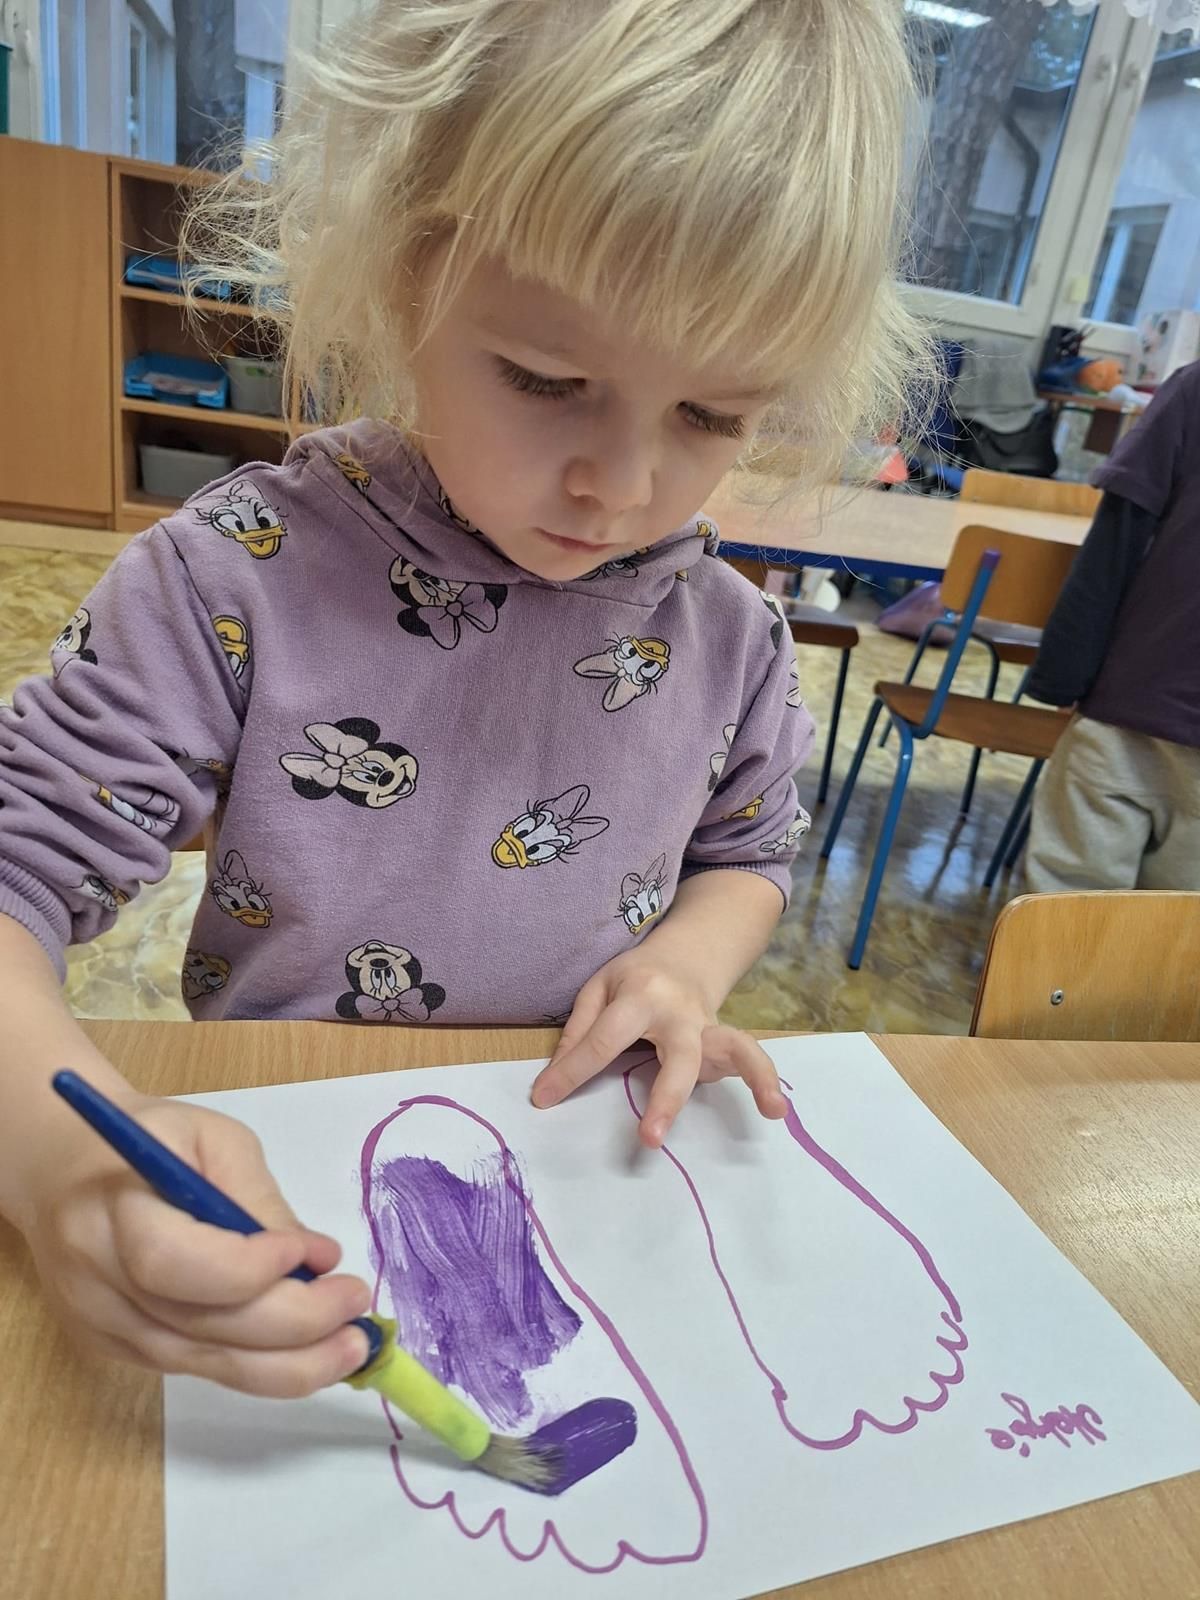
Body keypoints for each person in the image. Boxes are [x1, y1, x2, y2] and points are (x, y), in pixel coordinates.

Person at [0, 0, 929, 1396]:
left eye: (713, 415)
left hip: (587, 1189)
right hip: (305, 1190)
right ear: (401, 271)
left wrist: (683, 968)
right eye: (548, 380)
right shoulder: (236, 579)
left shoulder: (730, 637)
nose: (622, 486)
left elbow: (749, 855)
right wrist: (53, 1162)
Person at [1024, 358, 1200, 893]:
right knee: (1178, 934)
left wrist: (1063, 678)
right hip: (1137, 707)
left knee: (1071, 915)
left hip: (1134, 703)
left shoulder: (1193, 387)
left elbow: (1114, 545)